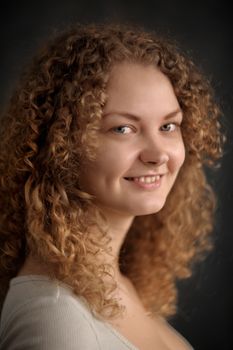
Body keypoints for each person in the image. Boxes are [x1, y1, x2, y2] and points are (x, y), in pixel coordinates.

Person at [0, 23, 225, 350]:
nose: (159, 153)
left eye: (168, 125)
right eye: (123, 128)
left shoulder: (115, 281)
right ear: (60, 145)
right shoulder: (54, 319)